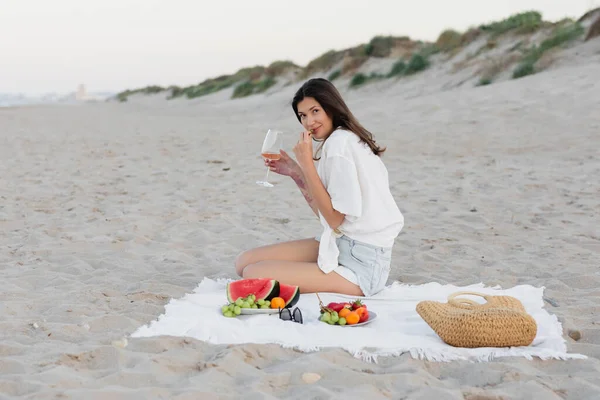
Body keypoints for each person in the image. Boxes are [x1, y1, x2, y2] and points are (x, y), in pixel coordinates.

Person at [235, 78, 404, 297]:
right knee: (244, 262)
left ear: (330, 107)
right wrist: (296, 173)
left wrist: (307, 164)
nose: (309, 122)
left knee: (251, 272)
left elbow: (335, 219)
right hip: (340, 241)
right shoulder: (339, 139)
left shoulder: (339, 144)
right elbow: (326, 215)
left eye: (315, 111)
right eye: (303, 115)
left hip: (362, 265)